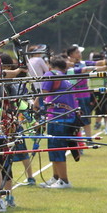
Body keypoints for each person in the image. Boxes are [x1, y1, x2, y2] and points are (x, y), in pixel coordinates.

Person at [38, 55, 80, 189]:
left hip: (58, 119)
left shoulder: (50, 74)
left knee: (57, 149)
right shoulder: (65, 78)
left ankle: (64, 181)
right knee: (55, 148)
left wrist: (35, 109)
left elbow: (42, 96)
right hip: (68, 118)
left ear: (50, 66)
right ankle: (56, 178)